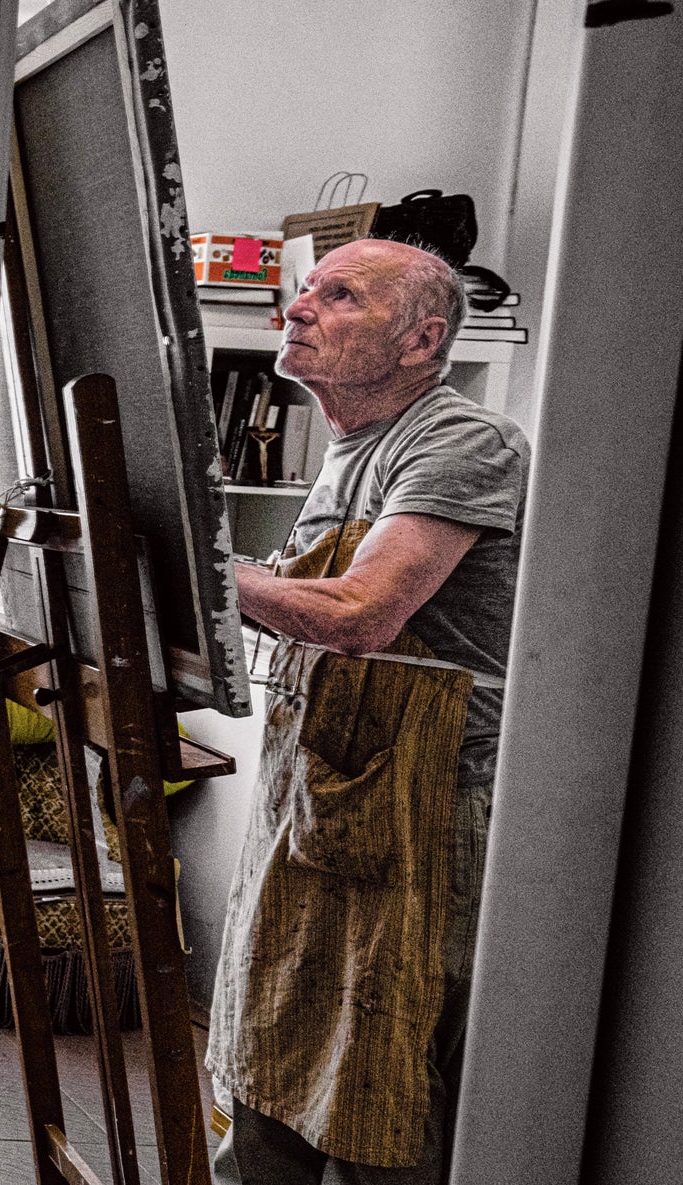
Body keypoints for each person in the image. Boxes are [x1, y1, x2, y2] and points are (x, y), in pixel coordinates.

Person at [206, 239, 530, 1184]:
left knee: (382, 1106)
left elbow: (361, 612)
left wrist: (203, 569)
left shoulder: (462, 440)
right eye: (305, 289)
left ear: (421, 340)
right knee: (271, 1070)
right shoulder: (348, 449)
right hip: (321, 797)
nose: (300, 308)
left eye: (340, 294)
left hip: (422, 815)